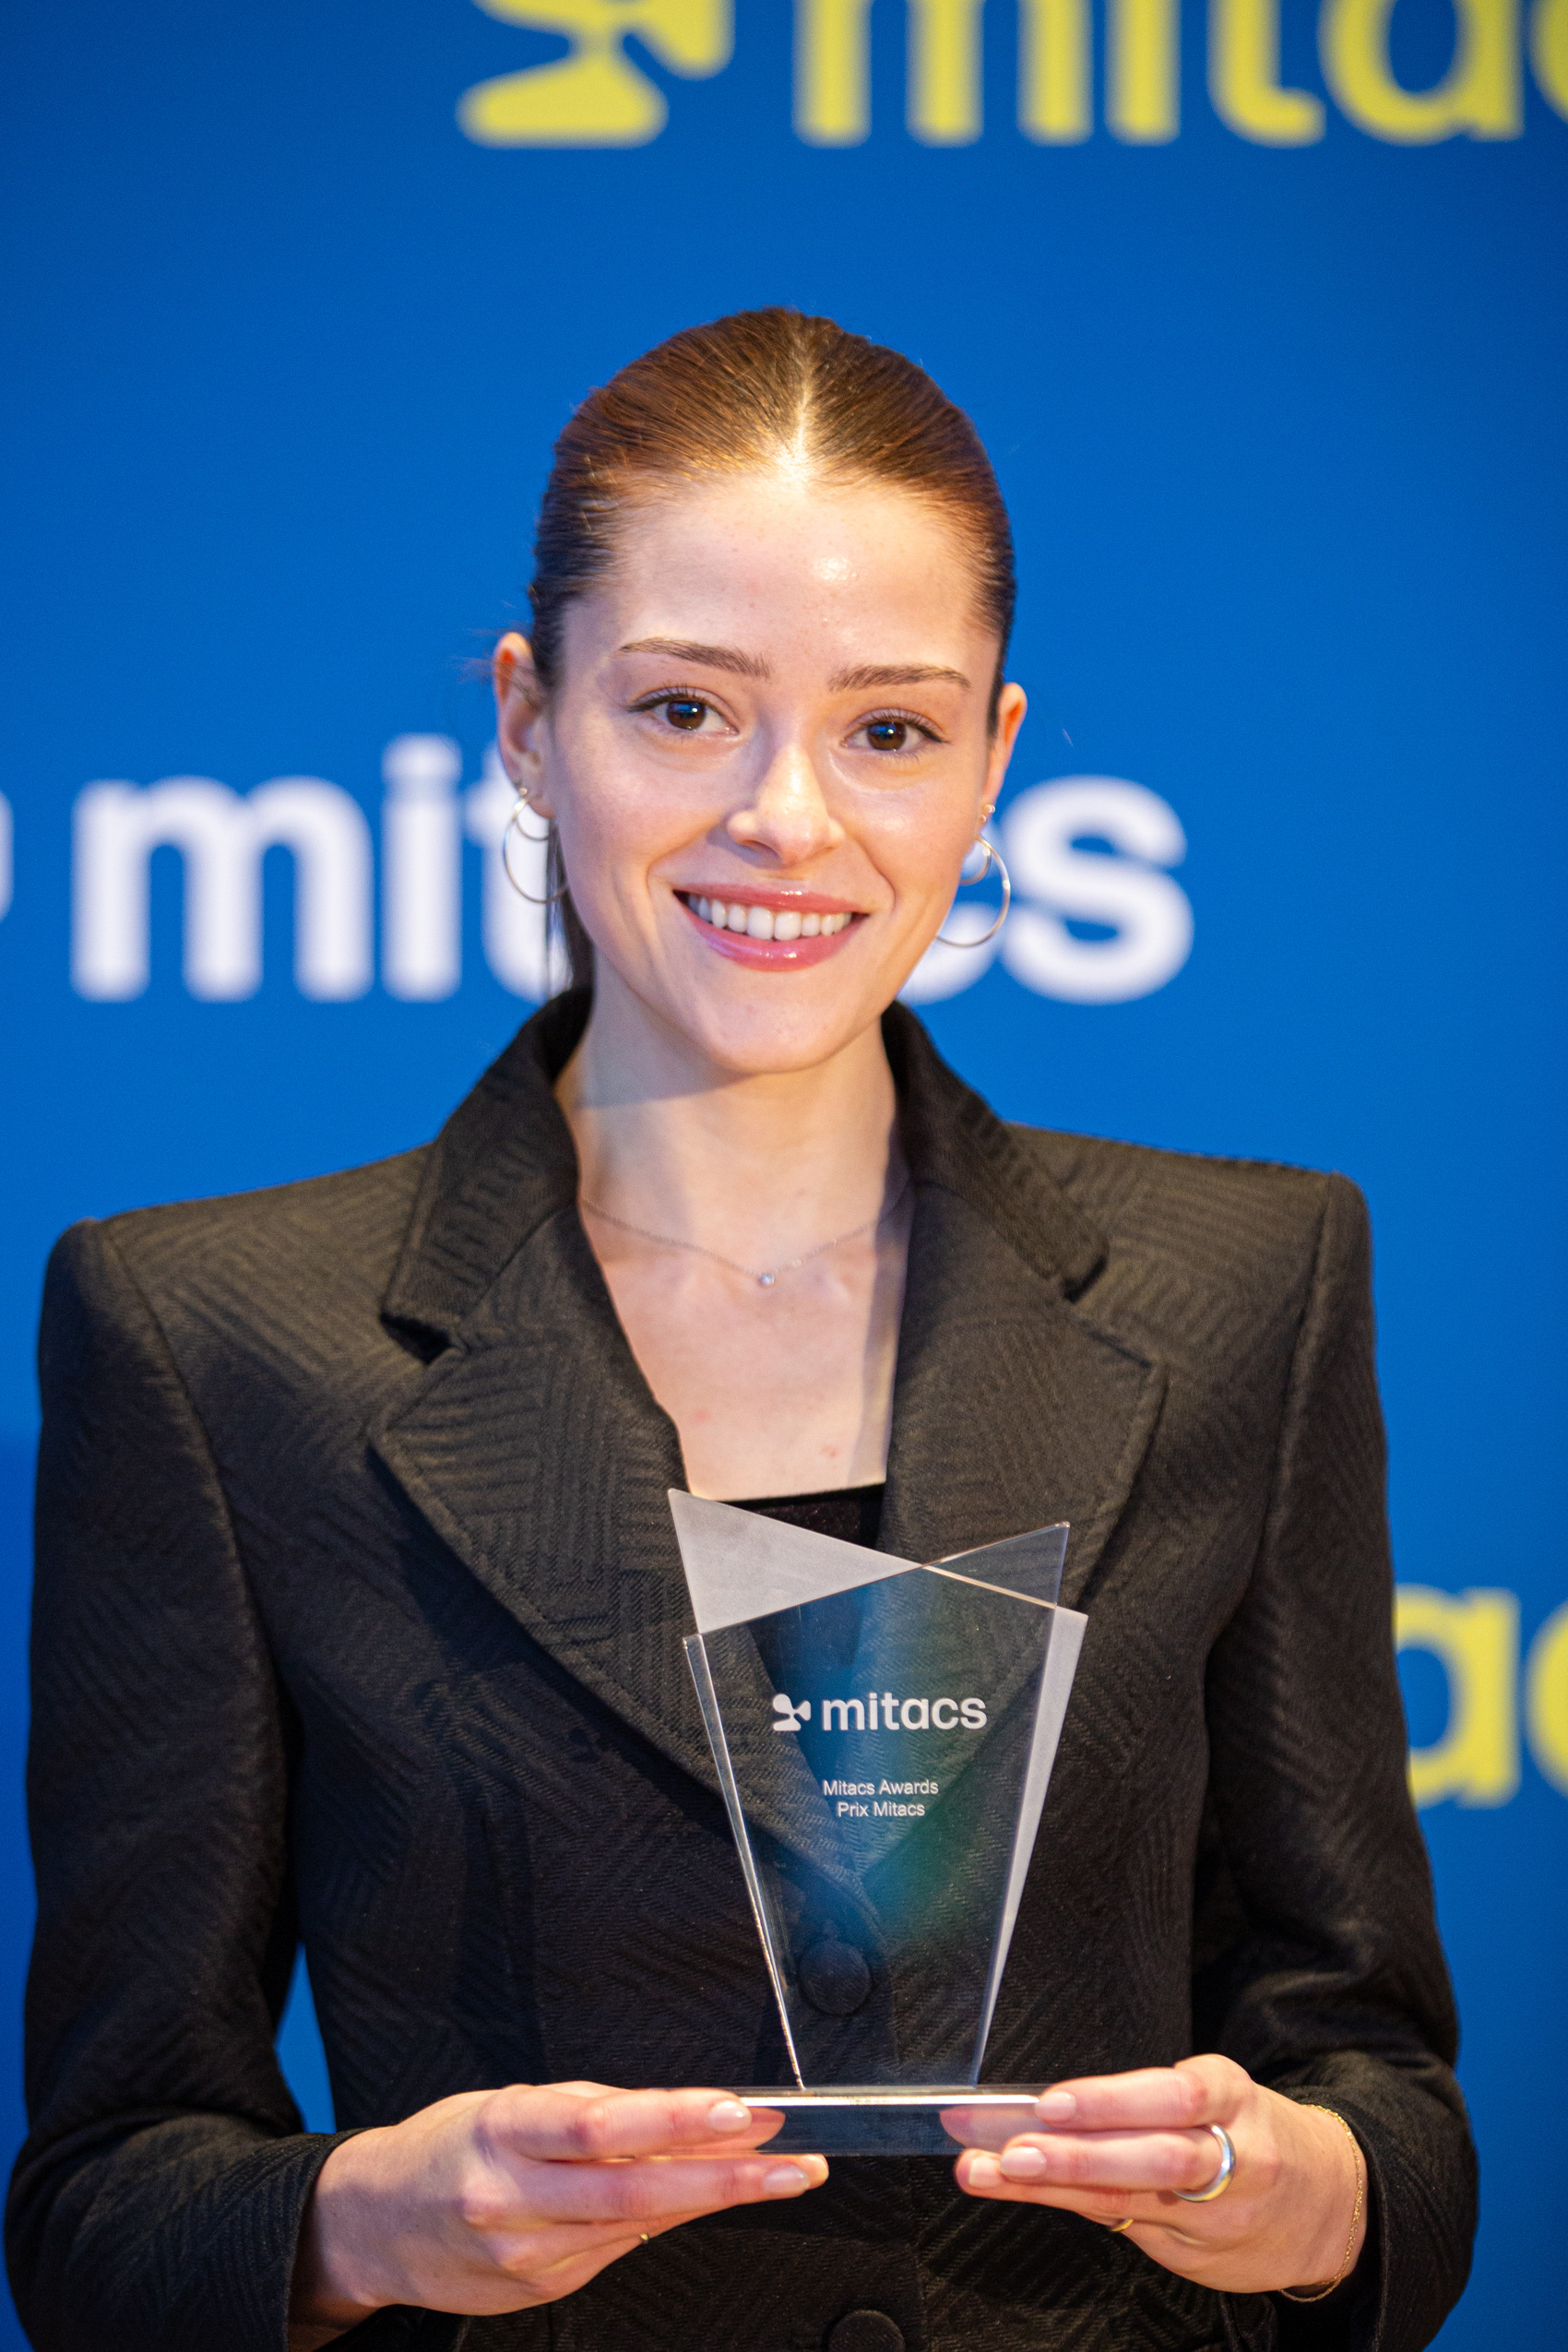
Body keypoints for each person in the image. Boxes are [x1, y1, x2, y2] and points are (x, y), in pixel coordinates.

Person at [7, 310, 1474, 2352]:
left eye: (890, 728)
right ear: (527, 727)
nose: (789, 817)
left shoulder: (1247, 1288)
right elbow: (103, 2200)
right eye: (685, 709)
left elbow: (1380, 2092)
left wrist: (1304, 2186)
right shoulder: (213, 1341)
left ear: (994, 762)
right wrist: (364, 2223)